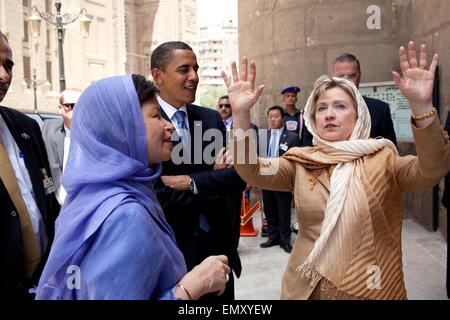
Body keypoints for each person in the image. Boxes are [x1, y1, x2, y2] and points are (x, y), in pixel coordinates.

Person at [223, 41, 449, 299]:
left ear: (359, 116)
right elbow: (251, 171)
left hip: (369, 289)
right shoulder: (301, 161)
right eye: (322, 108)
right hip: (307, 289)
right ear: (312, 118)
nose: (329, 114)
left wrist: (422, 108)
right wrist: (241, 116)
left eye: (340, 106)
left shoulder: (384, 159)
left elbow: (432, 168)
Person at [35, 74, 230, 300]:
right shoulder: (125, 215)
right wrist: (192, 288)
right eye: (156, 116)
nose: (169, 126)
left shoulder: (101, 194)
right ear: (122, 128)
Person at [150, 41, 246, 300]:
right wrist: (213, 178)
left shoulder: (210, 118)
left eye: (196, 68)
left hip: (219, 250)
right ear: (158, 75)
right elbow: (158, 193)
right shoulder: (145, 121)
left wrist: (191, 182)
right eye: (184, 69)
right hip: (174, 254)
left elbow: (237, 177)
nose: (194, 76)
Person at [0, 31, 59, 299]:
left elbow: (46, 201)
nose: (4, 76)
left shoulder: (26, 127)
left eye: (8, 65)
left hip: (45, 281)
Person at [302, 54, 399, 147]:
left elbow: (392, 153)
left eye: (351, 76)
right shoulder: (314, 112)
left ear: (359, 77)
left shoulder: (380, 109)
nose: (346, 80)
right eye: (340, 76)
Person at [218, 94, 259, 249]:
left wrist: (251, 178)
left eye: (227, 105)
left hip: (237, 177)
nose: (223, 108)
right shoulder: (211, 125)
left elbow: (253, 155)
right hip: (216, 178)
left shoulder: (250, 127)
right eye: (220, 106)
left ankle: (232, 249)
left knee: (234, 215)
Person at [260, 106, 301, 253]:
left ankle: (285, 240)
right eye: (270, 116)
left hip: (283, 180)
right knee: (269, 210)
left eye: (276, 116)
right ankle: (273, 237)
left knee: (284, 211)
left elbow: (296, 161)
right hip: (266, 179)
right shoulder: (263, 136)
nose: (272, 119)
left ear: (283, 118)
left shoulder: (292, 137)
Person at [42, 88, 82, 206]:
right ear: (60, 108)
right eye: (71, 105)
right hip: (55, 204)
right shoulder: (48, 130)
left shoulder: (93, 137)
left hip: (82, 203)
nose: (77, 109)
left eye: (81, 105)